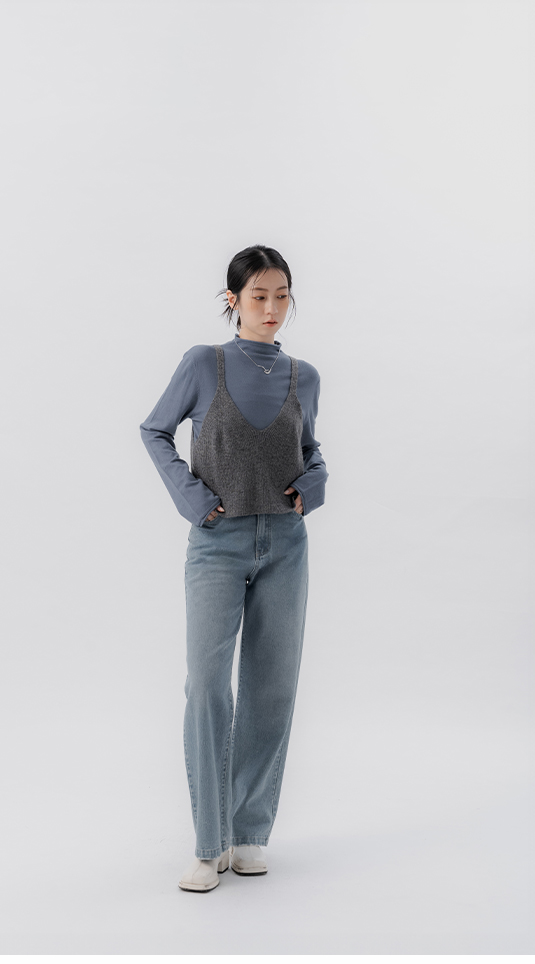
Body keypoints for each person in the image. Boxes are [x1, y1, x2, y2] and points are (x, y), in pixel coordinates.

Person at [139, 244, 329, 893]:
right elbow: (155, 430)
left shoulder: (304, 377)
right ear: (233, 300)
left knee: (272, 687)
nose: (272, 308)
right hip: (217, 544)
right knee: (207, 687)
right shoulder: (204, 363)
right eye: (258, 296)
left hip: (286, 544)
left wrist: (316, 483)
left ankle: (249, 834)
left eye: (281, 296)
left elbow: (310, 450)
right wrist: (192, 499)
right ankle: (208, 843)